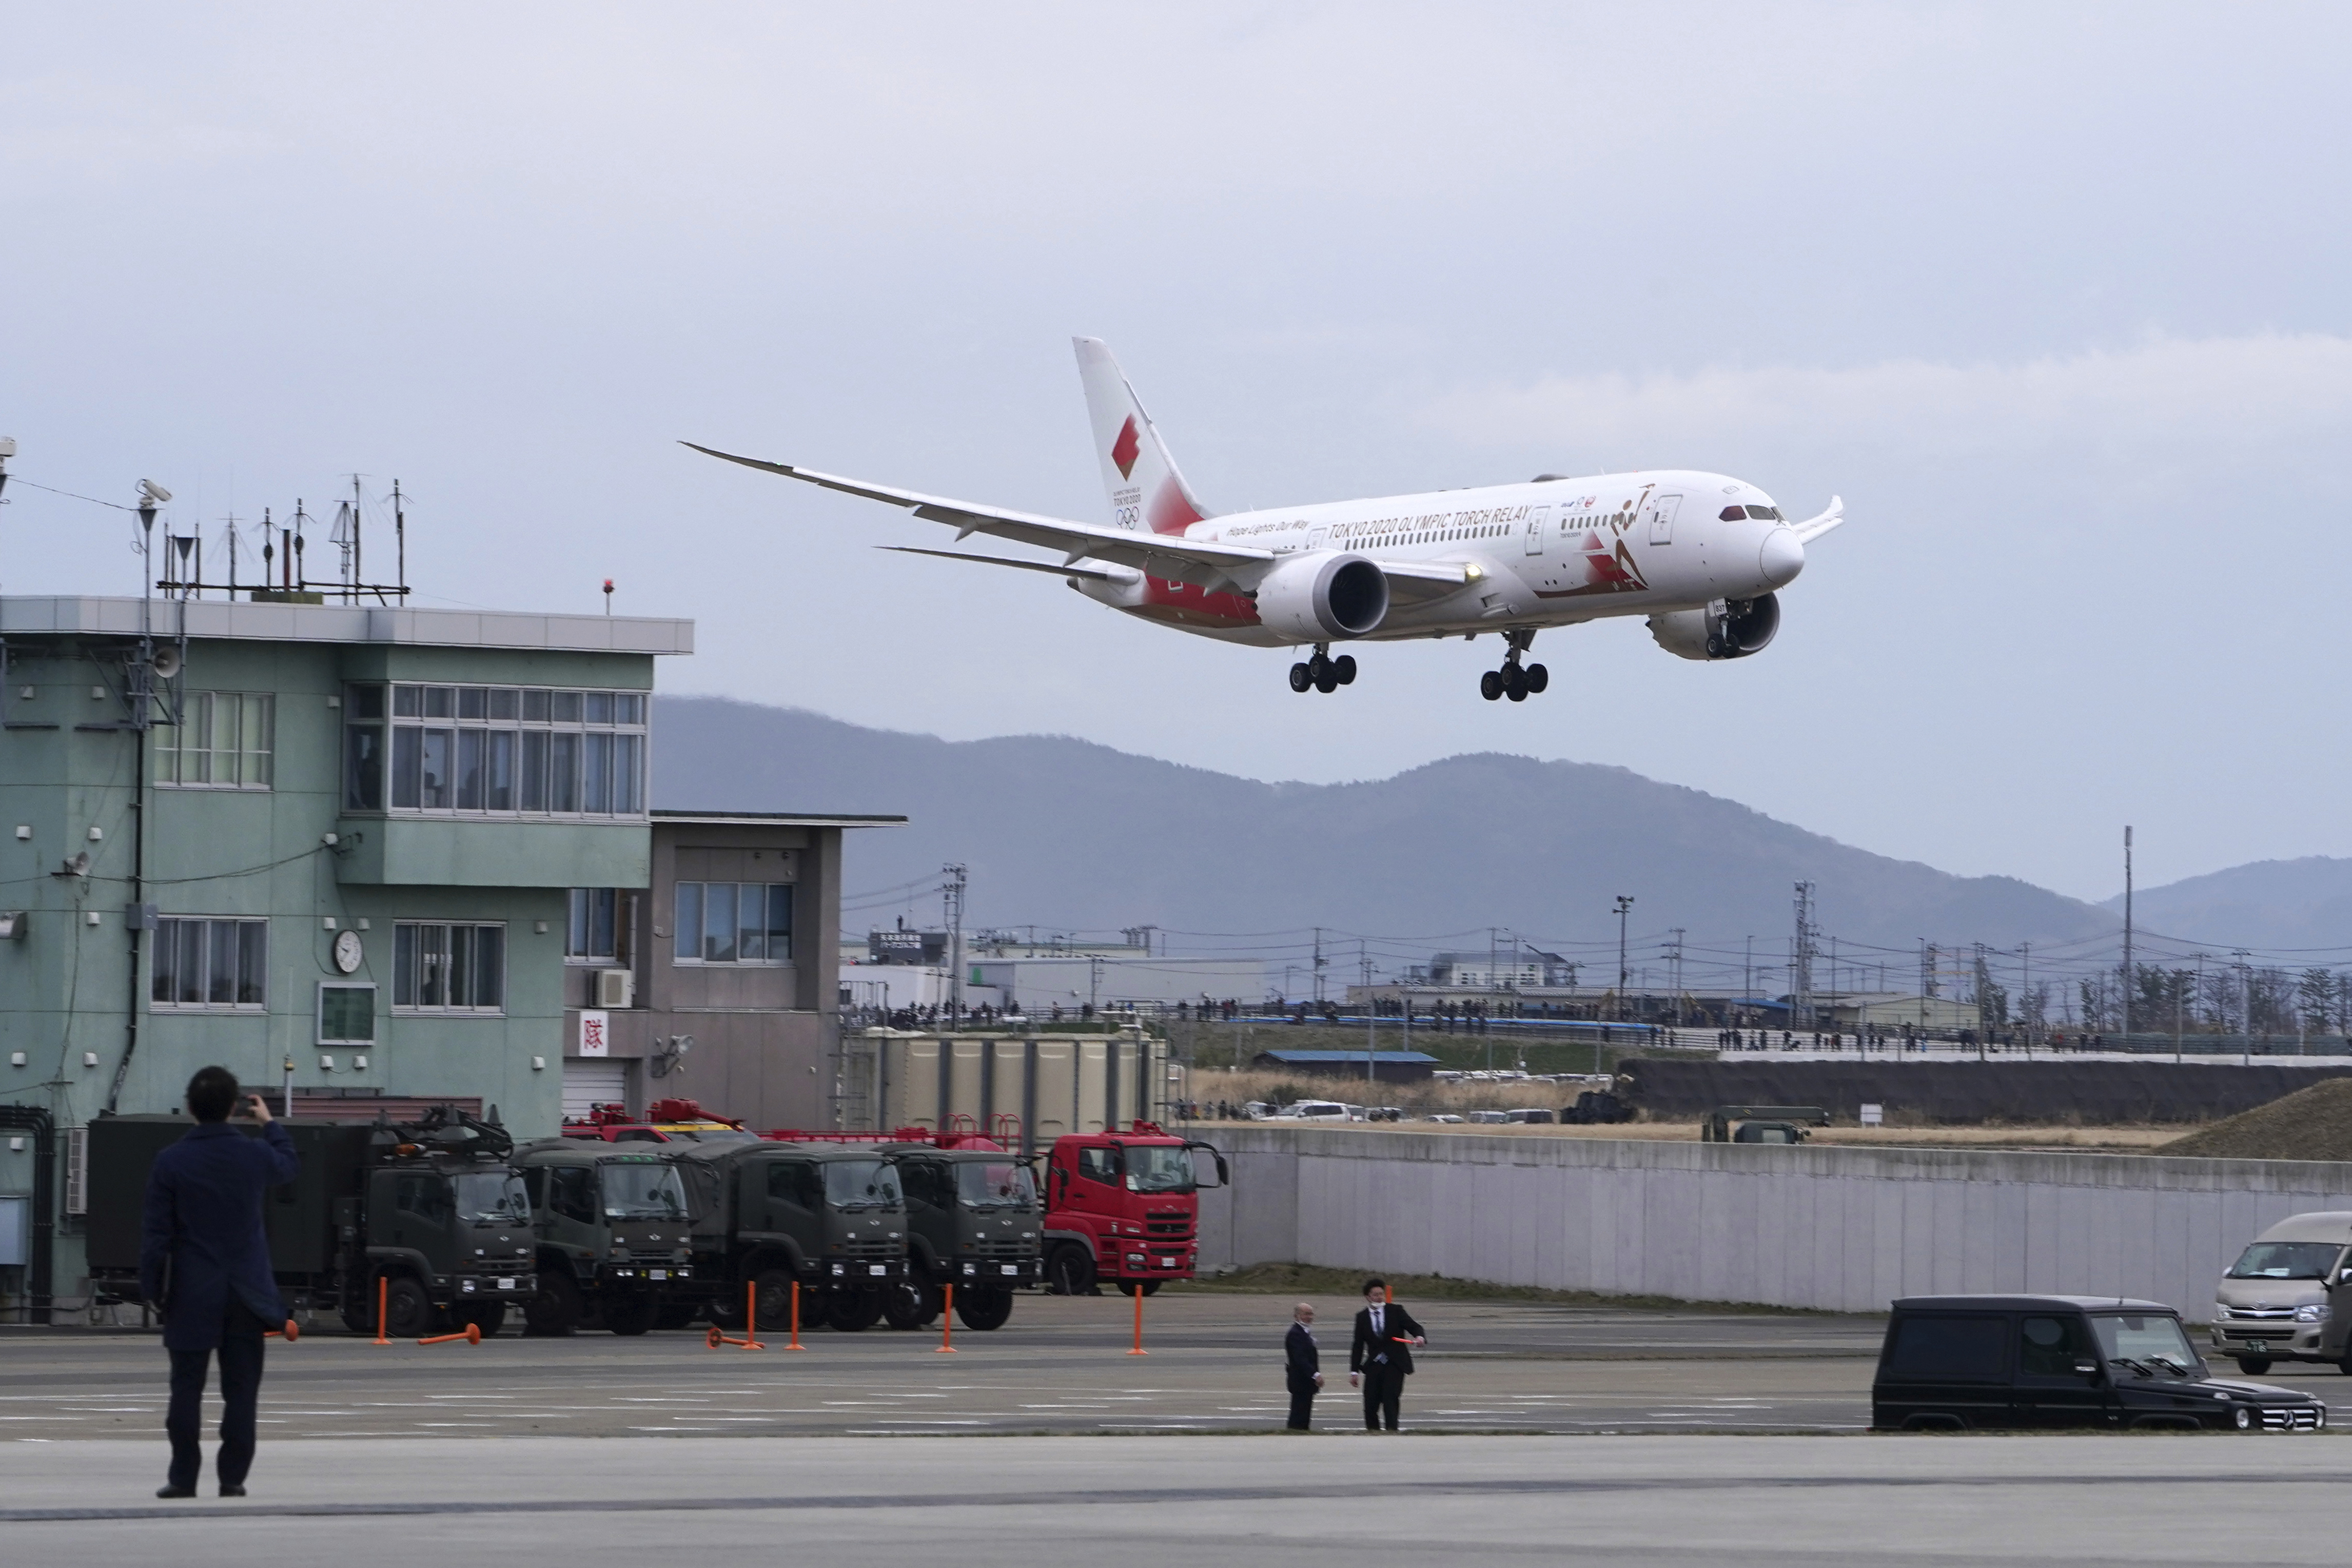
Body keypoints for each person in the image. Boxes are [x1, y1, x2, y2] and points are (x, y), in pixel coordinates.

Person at [140, 1066, 300, 1499]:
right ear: (233, 1107)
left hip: (192, 1291)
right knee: (242, 1391)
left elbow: (157, 1234)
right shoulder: (252, 1155)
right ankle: (233, 1477)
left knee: (186, 1389)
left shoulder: (171, 1161)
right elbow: (288, 1165)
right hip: (247, 1292)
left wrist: (152, 1289)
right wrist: (269, 1123)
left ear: (190, 1106)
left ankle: (183, 1477)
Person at [1348, 1278, 1426, 1432]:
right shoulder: (1362, 1317)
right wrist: (1354, 1371)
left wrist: (1419, 1337)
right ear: (1368, 1297)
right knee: (1370, 1403)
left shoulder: (1396, 1311)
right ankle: (1373, 1432)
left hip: (1394, 1364)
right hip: (1374, 1366)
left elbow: (1414, 1326)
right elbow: (1358, 1345)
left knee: (1391, 1400)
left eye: (1381, 1294)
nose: (1379, 1297)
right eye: (1375, 1295)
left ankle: (1392, 1431)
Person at [1284, 1302, 1322, 1430]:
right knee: (1298, 1415)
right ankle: (1295, 1435)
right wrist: (1315, 1374)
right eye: (1306, 1314)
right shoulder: (1296, 1334)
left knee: (1305, 1414)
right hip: (1300, 1381)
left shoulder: (1305, 1333)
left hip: (1306, 1383)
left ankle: (1301, 1435)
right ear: (1297, 1316)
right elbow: (1300, 1359)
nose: (1309, 1317)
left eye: (1311, 1314)